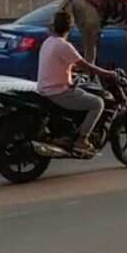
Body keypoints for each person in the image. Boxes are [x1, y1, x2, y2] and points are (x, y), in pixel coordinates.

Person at [37, 10, 118, 155]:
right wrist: (107, 73)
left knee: (82, 93)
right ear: (70, 27)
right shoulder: (64, 45)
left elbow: (59, 64)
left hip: (45, 89)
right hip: (58, 92)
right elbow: (85, 65)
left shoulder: (48, 42)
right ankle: (82, 140)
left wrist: (71, 72)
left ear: (54, 27)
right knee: (98, 103)